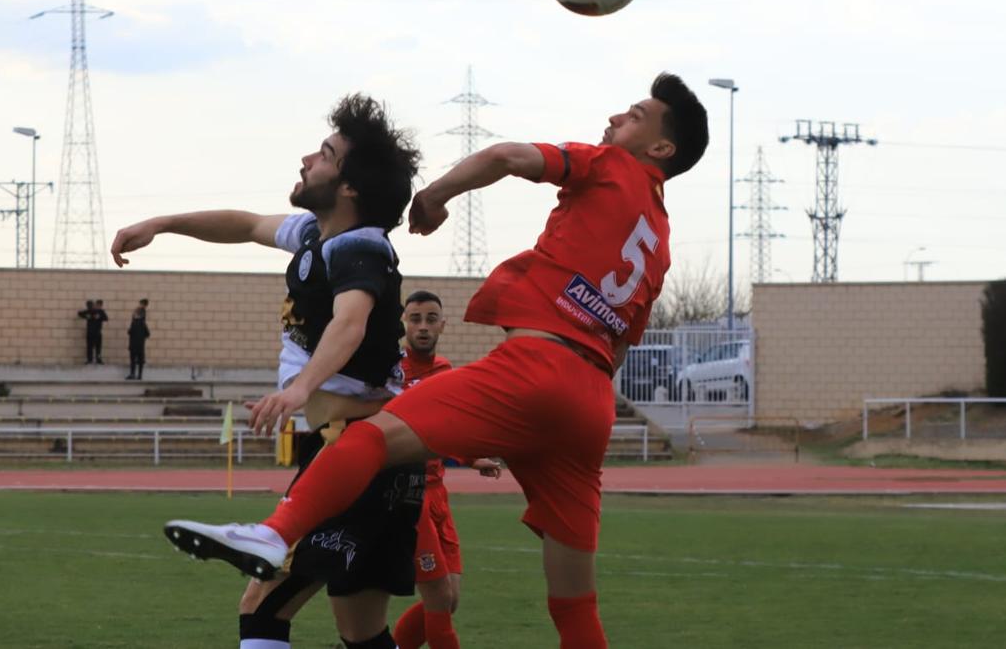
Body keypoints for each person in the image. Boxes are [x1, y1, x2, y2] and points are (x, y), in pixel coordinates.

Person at [165, 73, 710, 649]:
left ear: (660, 149)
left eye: (633, 115)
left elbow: (506, 155)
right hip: (591, 400)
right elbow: (622, 342)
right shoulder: (662, 238)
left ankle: (273, 534)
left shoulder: (607, 164)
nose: (614, 118)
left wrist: (437, 194)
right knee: (575, 606)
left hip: (535, 366)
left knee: (368, 440)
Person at [111, 94, 423, 649]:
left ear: (349, 187)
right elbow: (247, 223)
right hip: (361, 455)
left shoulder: (358, 249)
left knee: (261, 605)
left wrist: (301, 386)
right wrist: (162, 223)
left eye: (325, 154)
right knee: (361, 629)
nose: (308, 158)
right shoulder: (313, 234)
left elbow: (350, 321)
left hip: (358, 455)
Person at [392, 290, 500, 649]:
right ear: (403, 323)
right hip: (409, 495)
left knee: (450, 599)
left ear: (443, 325)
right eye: (415, 319)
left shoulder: (444, 371)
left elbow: (447, 429)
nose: (423, 327)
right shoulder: (391, 373)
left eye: (431, 319)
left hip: (439, 494)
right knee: (438, 600)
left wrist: (471, 458)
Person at [77, 299, 108, 365]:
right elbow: (79, 313)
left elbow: (106, 318)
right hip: (90, 333)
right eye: (89, 306)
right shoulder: (88, 311)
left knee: (98, 347)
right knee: (89, 347)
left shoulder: (100, 311)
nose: (95, 307)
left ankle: (98, 359)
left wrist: (99, 317)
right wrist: (86, 316)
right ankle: (89, 360)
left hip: (97, 333)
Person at [126, 299, 150, 380]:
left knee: (133, 360)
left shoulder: (134, 323)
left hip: (133, 345)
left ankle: (132, 374)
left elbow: (129, 332)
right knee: (140, 361)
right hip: (140, 346)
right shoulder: (143, 325)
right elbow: (147, 334)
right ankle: (140, 375)